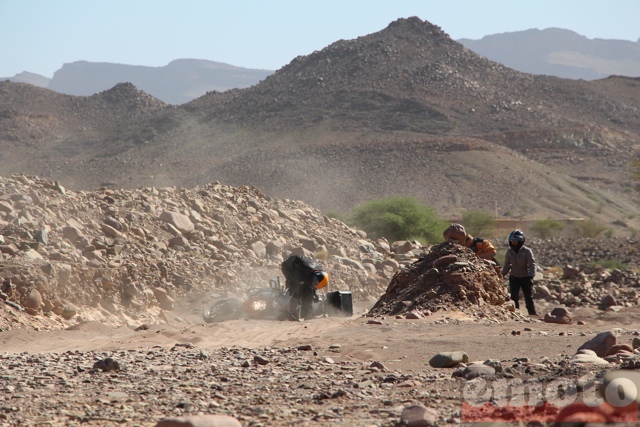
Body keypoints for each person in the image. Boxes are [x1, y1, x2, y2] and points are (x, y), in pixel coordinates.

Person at [280, 254, 329, 320]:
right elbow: (296, 287)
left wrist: (316, 294)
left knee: (308, 292)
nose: (314, 284)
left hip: (303, 271)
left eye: (316, 284)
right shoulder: (303, 273)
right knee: (296, 290)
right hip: (288, 267)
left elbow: (319, 284)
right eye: (314, 282)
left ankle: (307, 314)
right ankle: (292, 314)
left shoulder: (321, 273)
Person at [502, 230, 538, 316]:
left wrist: (531, 275)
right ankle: (516, 314)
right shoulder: (509, 252)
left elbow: (532, 264)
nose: (513, 243)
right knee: (514, 297)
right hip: (514, 277)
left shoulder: (527, 251)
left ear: (520, 241)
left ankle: (532, 314)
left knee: (528, 297)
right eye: (512, 241)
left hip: (525, 277)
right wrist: (501, 275)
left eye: (515, 241)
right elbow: (507, 265)